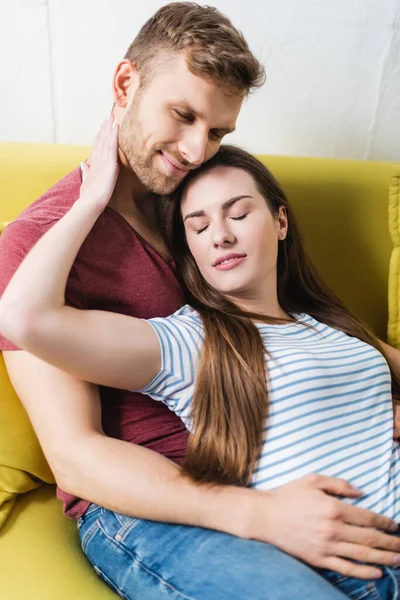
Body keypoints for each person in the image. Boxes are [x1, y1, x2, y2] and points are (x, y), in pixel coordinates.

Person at [2, 117, 400, 600]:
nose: (220, 236)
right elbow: (24, 318)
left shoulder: (329, 324)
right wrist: (90, 201)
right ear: (188, 246)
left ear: (280, 222)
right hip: (358, 561)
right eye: (199, 224)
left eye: (237, 213)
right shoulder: (187, 341)